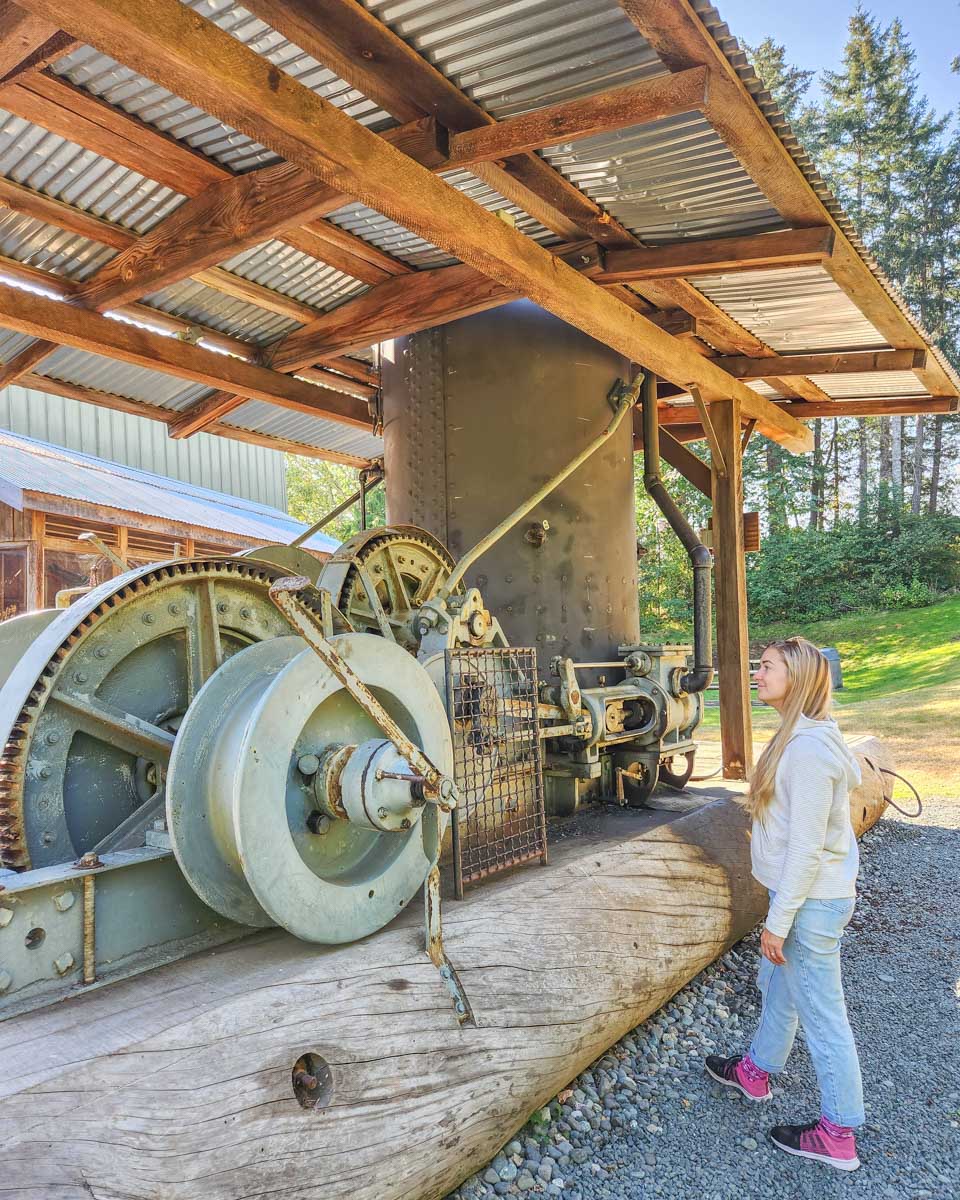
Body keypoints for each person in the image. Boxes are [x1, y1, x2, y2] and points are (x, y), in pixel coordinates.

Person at [704, 637, 865, 1171]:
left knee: (823, 1016)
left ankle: (838, 1134)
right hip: (804, 899)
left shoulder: (809, 751)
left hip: (810, 903)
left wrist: (777, 922)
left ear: (795, 677)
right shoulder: (802, 737)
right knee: (780, 988)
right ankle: (755, 1071)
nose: (757, 673)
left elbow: (806, 848)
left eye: (767, 666)